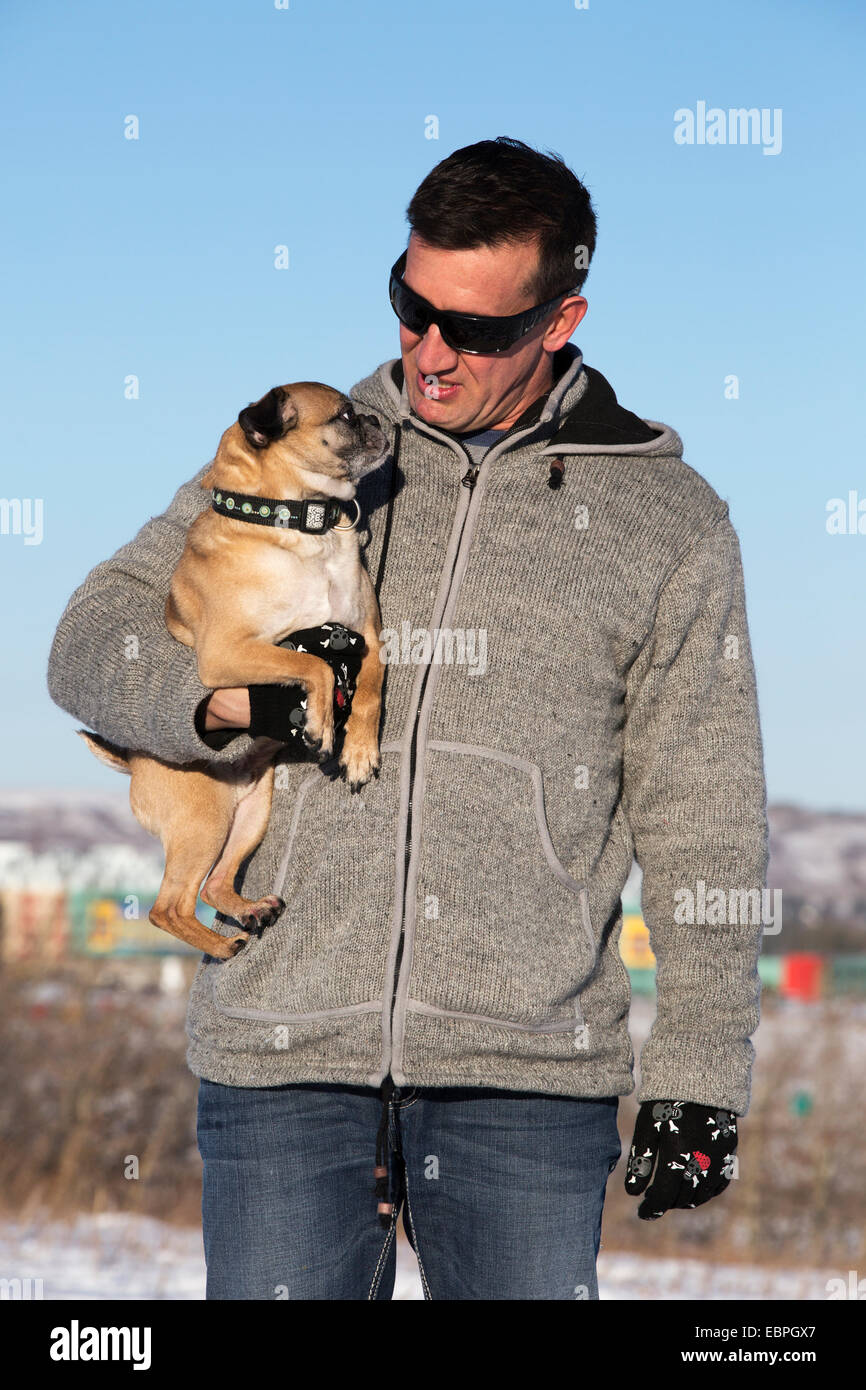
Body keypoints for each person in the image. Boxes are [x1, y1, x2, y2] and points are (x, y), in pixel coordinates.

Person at [47, 136, 768, 1300]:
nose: (428, 355)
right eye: (409, 306)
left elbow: (706, 810)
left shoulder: (665, 522)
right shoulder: (304, 452)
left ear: (559, 318)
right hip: (282, 1051)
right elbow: (89, 640)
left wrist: (698, 1070)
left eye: (475, 331)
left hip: (525, 1083)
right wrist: (217, 705)